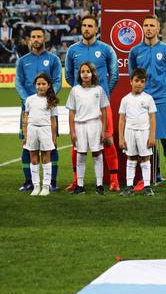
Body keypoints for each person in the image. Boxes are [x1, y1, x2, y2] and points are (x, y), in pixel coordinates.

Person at [65, 15, 120, 192]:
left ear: (96, 29)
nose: (86, 29)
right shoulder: (73, 50)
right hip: (81, 107)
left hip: (101, 106)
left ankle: (113, 179)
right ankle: (76, 180)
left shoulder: (106, 49)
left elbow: (115, 75)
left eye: (90, 26)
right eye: (84, 26)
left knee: (108, 140)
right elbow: (68, 76)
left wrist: (103, 94)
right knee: (77, 144)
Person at [128, 15, 166, 192]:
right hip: (142, 102)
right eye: (145, 25)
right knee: (143, 141)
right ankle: (146, 179)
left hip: (162, 100)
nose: (148, 28)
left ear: (158, 29)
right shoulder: (135, 51)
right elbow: (132, 74)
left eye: (152, 25)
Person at [15, 27, 62, 192]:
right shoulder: (22, 61)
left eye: (39, 36)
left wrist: (46, 99)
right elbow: (18, 83)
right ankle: (29, 181)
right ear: (30, 39)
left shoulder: (54, 60)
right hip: (28, 109)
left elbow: (57, 81)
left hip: (48, 108)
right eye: (33, 36)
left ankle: (52, 181)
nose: (36, 39)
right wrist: (28, 100)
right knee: (27, 145)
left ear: (45, 39)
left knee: (52, 146)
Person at [65, 62, 110, 195]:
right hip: (79, 126)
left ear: (92, 74)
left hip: (95, 124)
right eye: (82, 71)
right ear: (79, 74)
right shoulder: (75, 90)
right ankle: (80, 185)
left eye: (88, 71)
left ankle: (99, 185)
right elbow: (71, 112)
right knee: (81, 155)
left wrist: (104, 131)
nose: (85, 74)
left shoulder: (99, 90)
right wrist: (72, 131)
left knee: (97, 154)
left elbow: (104, 110)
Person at [118, 68, 157, 197]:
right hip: (129, 132)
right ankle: (129, 186)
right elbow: (122, 120)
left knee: (145, 159)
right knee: (131, 157)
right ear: (131, 81)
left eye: (142, 81)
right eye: (137, 80)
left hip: (144, 132)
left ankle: (147, 186)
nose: (139, 83)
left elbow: (152, 118)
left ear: (145, 83)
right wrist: (121, 138)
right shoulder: (125, 99)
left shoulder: (148, 98)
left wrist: (152, 136)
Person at [22, 73, 59, 196]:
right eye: (38, 84)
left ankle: (46, 186)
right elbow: (25, 118)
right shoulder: (29, 99)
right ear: (35, 85)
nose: (40, 86)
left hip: (45, 130)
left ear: (48, 86)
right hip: (32, 130)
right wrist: (25, 134)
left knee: (46, 157)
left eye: (43, 84)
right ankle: (36, 186)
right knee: (33, 158)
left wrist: (53, 137)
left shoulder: (51, 100)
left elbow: (53, 121)